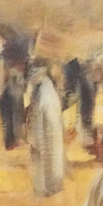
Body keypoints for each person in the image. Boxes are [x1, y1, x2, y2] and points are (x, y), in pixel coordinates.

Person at [28, 67, 65, 197]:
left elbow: (44, 117)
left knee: (49, 162)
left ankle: (51, 188)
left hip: (48, 134)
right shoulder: (45, 90)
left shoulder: (45, 92)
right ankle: (51, 186)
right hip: (49, 134)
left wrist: (37, 138)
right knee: (50, 161)